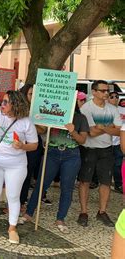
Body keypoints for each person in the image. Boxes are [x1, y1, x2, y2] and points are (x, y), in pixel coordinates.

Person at [22, 95, 89, 233]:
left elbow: (82, 140)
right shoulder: (53, 112)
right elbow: (43, 130)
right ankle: (28, 213)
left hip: (71, 155)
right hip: (51, 152)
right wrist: (36, 118)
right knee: (41, 185)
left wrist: (72, 130)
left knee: (67, 188)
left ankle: (60, 218)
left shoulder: (80, 118)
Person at [0, 90, 38, 244]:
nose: (2, 104)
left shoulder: (26, 122)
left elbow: (34, 145)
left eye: (6, 102)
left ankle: (12, 228)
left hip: (16, 165)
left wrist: (22, 146)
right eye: (2, 101)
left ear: (15, 104)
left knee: (12, 196)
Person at [77, 80, 121, 227]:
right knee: (84, 181)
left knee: (106, 182)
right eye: (102, 91)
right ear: (94, 92)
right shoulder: (86, 109)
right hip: (89, 149)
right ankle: (84, 212)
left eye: (107, 91)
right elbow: (91, 132)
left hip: (106, 150)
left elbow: (118, 131)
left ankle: (102, 212)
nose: (106, 93)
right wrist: (108, 127)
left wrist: (102, 127)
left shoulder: (113, 109)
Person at [108, 90, 123, 193]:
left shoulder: (122, 110)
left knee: (117, 165)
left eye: (117, 97)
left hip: (118, 143)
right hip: (105, 143)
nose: (115, 98)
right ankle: (95, 181)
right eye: (112, 96)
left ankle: (118, 185)